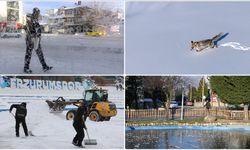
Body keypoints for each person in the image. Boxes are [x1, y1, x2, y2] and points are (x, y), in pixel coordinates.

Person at [23, 7, 52, 73]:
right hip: (31, 39)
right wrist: (36, 31)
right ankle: (26, 68)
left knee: (40, 53)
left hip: (36, 39)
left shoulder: (35, 19)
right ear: (34, 12)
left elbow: (36, 28)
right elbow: (31, 28)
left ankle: (44, 67)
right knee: (28, 54)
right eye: (37, 13)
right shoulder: (31, 19)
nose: (38, 14)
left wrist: (39, 31)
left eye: (38, 13)